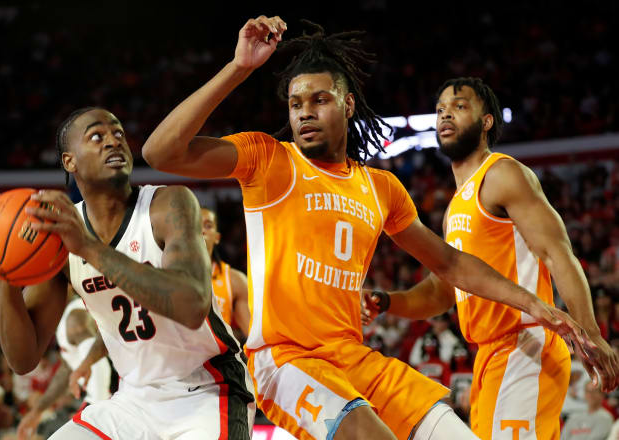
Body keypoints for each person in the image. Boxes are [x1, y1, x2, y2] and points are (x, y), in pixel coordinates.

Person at [141, 16, 592, 440]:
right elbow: (160, 152)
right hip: (286, 360)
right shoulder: (268, 159)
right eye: (296, 103)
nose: (304, 113)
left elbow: (451, 264)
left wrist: (534, 303)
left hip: (353, 359)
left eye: (320, 100)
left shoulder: (381, 188)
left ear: (348, 104)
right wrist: (239, 67)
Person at [365, 77, 619, 439]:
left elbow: (559, 254)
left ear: (486, 121)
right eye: (439, 110)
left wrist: (592, 336)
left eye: (459, 106)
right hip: (489, 355)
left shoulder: (502, 174)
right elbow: (442, 291)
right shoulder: (454, 207)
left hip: (524, 343)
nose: (445, 115)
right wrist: (389, 301)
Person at [0, 107, 254, 439]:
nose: (113, 141)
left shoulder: (168, 204)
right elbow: (23, 359)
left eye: (119, 134)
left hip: (208, 389)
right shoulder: (62, 236)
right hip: (132, 400)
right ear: (69, 161)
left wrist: (89, 248)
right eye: (97, 136)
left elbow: (193, 306)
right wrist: (6, 273)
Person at [16, 292, 112, 439]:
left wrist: (97, 410)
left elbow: (99, 365)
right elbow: (67, 368)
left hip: (113, 399)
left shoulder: (75, 317)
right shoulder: (67, 317)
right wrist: (38, 409)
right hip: (108, 399)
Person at [201, 208, 250, 337]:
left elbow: (251, 337)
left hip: (220, 355)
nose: (202, 230)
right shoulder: (171, 275)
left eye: (208, 225)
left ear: (217, 237)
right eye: (195, 225)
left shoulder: (235, 280)